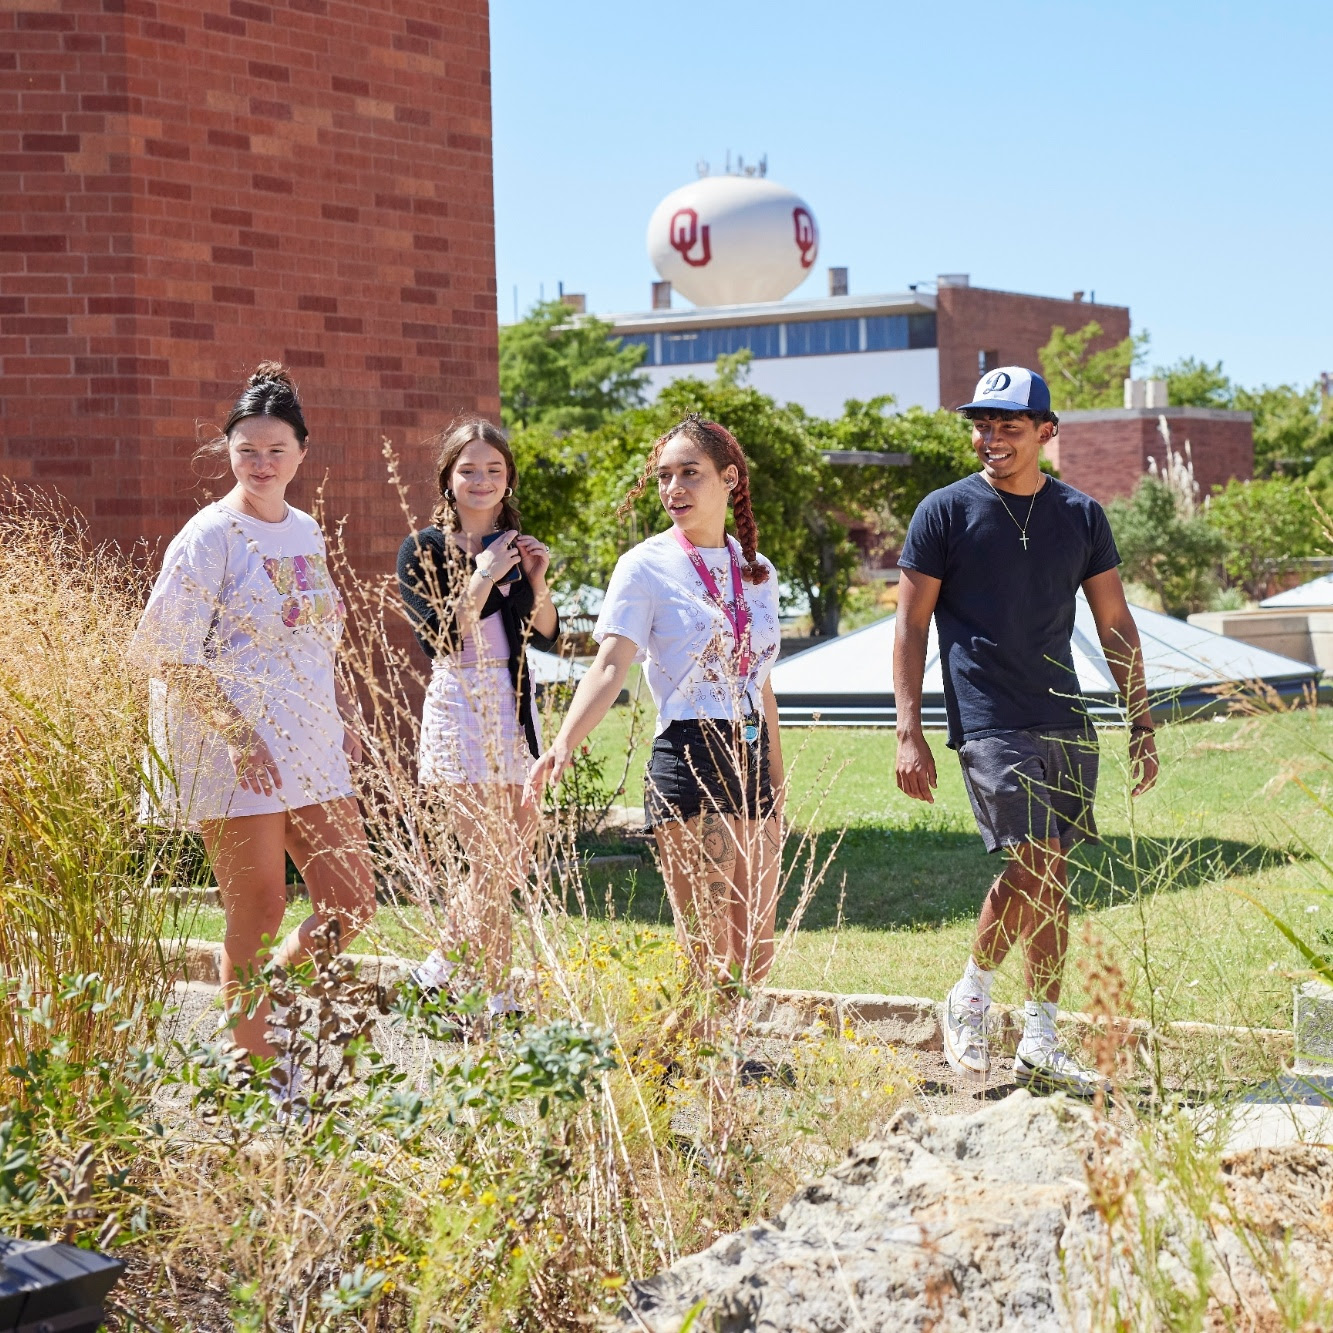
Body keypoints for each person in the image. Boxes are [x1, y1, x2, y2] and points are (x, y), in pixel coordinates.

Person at [893, 366, 1159, 1097]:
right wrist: (907, 729)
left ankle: (1039, 1034)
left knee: (1052, 876)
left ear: (1045, 431)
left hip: (1064, 716)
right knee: (1036, 861)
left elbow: (1113, 619)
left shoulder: (1079, 514)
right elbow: (911, 624)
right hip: (986, 716)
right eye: (980, 425)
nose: (990, 438)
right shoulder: (943, 512)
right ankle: (972, 994)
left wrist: (1139, 717)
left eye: (1008, 426)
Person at [134, 362, 377, 1061]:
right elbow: (169, 650)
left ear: (302, 450)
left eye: (276, 449)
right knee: (260, 907)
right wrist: (240, 735)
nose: (261, 463)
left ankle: (258, 991)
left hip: (310, 737)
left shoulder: (306, 530)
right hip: (234, 743)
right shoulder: (209, 536)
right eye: (247, 449)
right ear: (228, 451)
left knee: (351, 899)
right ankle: (253, 1065)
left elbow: (321, 635)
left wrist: (347, 711)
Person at [527, 414, 785, 995]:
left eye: (690, 474)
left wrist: (776, 771)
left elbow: (760, 679)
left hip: (752, 758)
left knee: (757, 949)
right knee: (710, 950)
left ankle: (709, 1059)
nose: (674, 489)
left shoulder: (759, 571)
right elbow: (611, 665)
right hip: (690, 756)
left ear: (730, 479)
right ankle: (698, 1073)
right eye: (665, 476)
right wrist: (563, 744)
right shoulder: (644, 565)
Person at [397, 418, 559, 1013]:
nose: (482, 479)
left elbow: (546, 632)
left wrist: (535, 580)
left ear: (508, 477)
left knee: (512, 854)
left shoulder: (517, 544)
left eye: (494, 469)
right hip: (459, 701)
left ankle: (439, 970)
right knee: (490, 855)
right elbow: (442, 636)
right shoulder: (423, 549)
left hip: (514, 706)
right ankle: (495, 996)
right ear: (448, 478)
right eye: (468, 469)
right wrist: (486, 572)